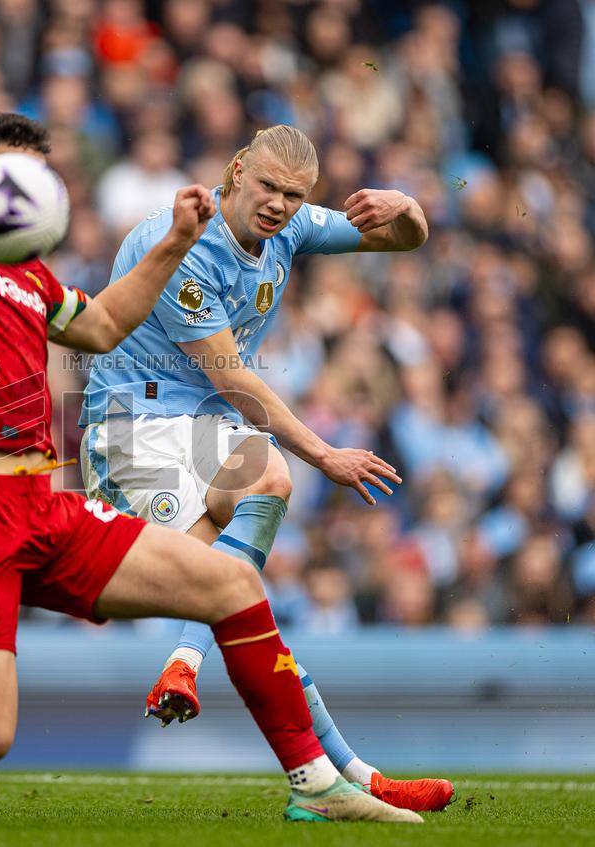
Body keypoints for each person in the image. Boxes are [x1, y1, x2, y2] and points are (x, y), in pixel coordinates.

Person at [0, 44, 421, 825]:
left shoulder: (33, 278)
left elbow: (99, 326)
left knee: (232, 583)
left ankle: (314, 780)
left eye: (40, 181)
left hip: (45, 502)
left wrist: (174, 239)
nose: (31, 197)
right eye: (13, 178)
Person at [79, 125, 453, 811]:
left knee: (249, 561)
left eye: (295, 195)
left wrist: (407, 207)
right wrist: (325, 453)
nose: (280, 204)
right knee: (233, 585)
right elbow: (232, 379)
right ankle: (347, 774)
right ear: (236, 171)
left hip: (201, 427)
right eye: (269, 187)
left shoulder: (290, 227)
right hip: (134, 428)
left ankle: (327, 773)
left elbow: (405, 240)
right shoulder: (186, 243)